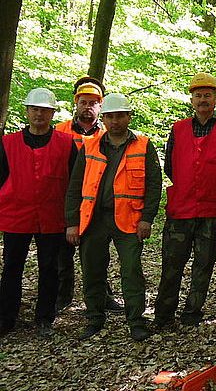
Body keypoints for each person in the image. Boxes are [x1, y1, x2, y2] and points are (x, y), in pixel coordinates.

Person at [65, 93, 162, 341]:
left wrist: (147, 218)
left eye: (120, 115)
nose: (115, 121)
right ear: (104, 118)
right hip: (93, 220)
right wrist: (72, 223)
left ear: (128, 117)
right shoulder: (90, 145)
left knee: (131, 270)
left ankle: (136, 322)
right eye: (110, 116)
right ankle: (95, 319)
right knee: (92, 270)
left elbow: (154, 185)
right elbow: (75, 187)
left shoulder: (143, 144)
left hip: (128, 219)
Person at [154, 72, 216, 328]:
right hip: (181, 208)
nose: (203, 100)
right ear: (191, 99)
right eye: (198, 95)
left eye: (208, 95)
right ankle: (164, 315)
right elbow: (170, 167)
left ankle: (192, 313)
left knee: (203, 265)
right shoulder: (177, 129)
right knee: (172, 264)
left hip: (213, 209)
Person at [0, 88, 76, 338]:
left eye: (44, 110)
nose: (39, 114)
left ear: (52, 113)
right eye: (35, 109)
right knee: (12, 267)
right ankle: (6, 318)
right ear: (27, 111)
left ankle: (44, 318)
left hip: (52, 216)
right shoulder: (7, 142)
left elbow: (75, 182)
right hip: (15, 214)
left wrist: (73, 217)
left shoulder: (67, 144)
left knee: (49, 268)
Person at [55, 76, 123, 314]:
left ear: (100, 106)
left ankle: (102, 296)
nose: (88, 107)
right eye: (84, 102)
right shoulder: (61, 131)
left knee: (95, 255)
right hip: (67, 200)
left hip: (95, 204)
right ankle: (63, 296)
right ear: (76, 103)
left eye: (93, 102)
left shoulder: (108, 133)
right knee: (63, 253)